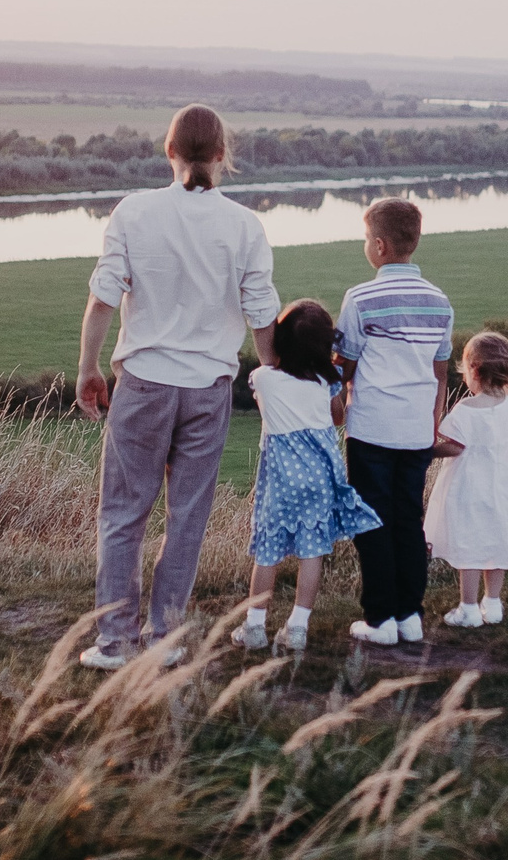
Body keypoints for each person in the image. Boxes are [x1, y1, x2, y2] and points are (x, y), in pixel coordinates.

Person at [74, 104, 278, 670]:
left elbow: (102, 299)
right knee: (187, 516)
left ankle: (114, 643)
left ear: (169, 152)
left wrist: (89, 366)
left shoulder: (133, 213)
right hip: (209, 389)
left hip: (142, 385)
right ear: (221, 156)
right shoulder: (244, 225)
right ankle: (165, 637)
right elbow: (263, 315)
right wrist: (272, 383)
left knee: (122, 514)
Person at [335, 198, 455, 648]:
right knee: (408, 518)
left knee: (372, 520)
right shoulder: (440, 302)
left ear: (380, 246)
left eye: (367, 238)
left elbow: (345, 363)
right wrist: (434, 422)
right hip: (415, 432)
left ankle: (380, 617)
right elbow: (440, 371)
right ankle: (410, 615)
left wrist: (335, 391)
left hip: (370, 430)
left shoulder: (360, 298)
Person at [237, 299, 380, 652]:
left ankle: (255, 626)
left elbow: (267, 376)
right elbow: (338, 418)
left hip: (280, 480)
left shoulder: (263, 379)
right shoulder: (325, 383)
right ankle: (298, 626)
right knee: (311, 552)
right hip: (318, 479)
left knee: (268, 552)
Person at [424, 330, 508, 628]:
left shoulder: (466, 411)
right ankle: (493, 603)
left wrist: (426, 453)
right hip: (506, 488)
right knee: (497, 544)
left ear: (473, 370)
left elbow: (455, 446)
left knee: (470, 546)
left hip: (470, 489)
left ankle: (469, 608)